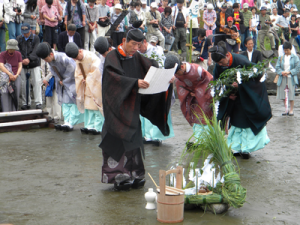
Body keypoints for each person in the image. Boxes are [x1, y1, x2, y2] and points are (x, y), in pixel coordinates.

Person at [99, 28, 173, 190]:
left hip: (132, 106)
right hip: (116, 108)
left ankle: (135, 174)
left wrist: (166, 77)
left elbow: (151, 67)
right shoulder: (112, 56)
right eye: (133, 44)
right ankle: (118, 175)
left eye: (139, 45)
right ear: (124, 41)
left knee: (133, 139)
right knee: (117, 138)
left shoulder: (136, 56)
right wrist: (134, 83)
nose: (135, 48)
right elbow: (113, 80)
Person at [209, 41, 272, 159]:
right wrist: (227, 94)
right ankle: (236, 148)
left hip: (246, 98)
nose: (221, 65)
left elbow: (257, 76)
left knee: (246, 124)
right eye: (218, 63)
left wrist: (241, 86)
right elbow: (217, 83)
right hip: (233, 100)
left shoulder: (242, 61)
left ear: (227, 55)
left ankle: (246, 149)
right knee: (236, 123)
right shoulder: (218, 66)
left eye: (222, 62)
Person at [36, 42, 84, 131]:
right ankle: (66, 121)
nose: (46, 61)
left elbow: (72, 69)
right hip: (62, 83)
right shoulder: (51, 61)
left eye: (46, 59)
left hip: (72, 83)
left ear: (51, 54)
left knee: (72, 103)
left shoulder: (64, 58)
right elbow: (53, 71)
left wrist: (64, 81)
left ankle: (71, 123)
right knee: (65, 103)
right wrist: (60, 80)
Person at [164, 54, 214, 140]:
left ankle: (208, 140)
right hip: (193, 99)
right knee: (196, 119)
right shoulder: (177, 74)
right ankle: (199, 140)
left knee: (207, 119)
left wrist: (198, 92)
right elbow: (181, 84)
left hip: (205, 97)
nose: (176, 75)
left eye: (176, 72)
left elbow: (209, 81)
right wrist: (189, 92)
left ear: (182, 67)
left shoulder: (197, 70)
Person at [138, 35, 175, 146]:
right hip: (144, 84)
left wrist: (169, 76)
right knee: (144, 109)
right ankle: (145, 135)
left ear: (145, 42)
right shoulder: (137, 54)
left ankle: (156, 136)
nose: (138, 49)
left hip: (157, 83)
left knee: (155, 108)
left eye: (140, 46)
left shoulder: (157, 51)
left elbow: (164, 66)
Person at [65, 42, 104, 135]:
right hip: (86, 84)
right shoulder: (77, 60)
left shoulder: (91, 57)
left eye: (76, 57)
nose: (76, 60)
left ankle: (98, 127)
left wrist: (88, 78)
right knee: (88, 106)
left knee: (97, 105)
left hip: (96, 85)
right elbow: (77, 73)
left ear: (80, 51)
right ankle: (89, 125)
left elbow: (97, 71)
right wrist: (82, 78)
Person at [16, 23, 42, 110]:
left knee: (37, 82)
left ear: (30, 30)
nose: (25, 34)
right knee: (24, 84)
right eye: (23, 32)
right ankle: (25, 102)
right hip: (23, 64)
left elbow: (36, 51)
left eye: (26, 32)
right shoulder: (19, 38)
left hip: (34, 64)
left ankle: (38, 102)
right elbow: (18, 51)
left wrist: (29, 59)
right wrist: (22, 59)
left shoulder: (36, 38)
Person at [275, 41, 299, 116]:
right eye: (284, 50)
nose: (286, 51)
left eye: (287, 50)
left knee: (291, 94)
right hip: (282, 77)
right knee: (282, 93)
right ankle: (286, 109)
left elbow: (297, 68)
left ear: (290, 49)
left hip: (290, 77)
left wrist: (289, 72)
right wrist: (281, 72)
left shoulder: (295, 57)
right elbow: (277, 67)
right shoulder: (281, 57)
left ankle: (291, 109)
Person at [0, 39, 22, 112]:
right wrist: (9, 74)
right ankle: (6, 112)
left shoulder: (18, 54)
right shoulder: (3, 54)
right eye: (10, 48)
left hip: (16, 76)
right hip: (5, 78)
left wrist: (16, 75)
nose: (11, 50)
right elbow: (1, 66)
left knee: (15, 94)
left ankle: (14, 112)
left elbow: (20, 65)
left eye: (13, 49)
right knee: (5, 94)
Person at [41, 58, 62, 123]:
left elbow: (53, 70)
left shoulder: (54, 57)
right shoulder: (42, 59)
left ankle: (56, 116)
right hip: (47, 81)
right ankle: (50, 115)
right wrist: (44, 79)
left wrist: (46, 78)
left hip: (54, 79)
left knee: (56, 99)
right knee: (48, 98)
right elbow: (42, 69)